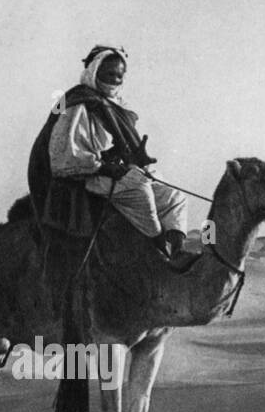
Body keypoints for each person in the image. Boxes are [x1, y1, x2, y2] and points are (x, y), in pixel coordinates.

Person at [28, 45, 188, 258]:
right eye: (109, 74)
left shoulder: (113, 106)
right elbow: (66, 158)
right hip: (80, 178)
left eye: (119, 75)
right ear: (94, 72)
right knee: (139, 187)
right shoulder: (76, 104)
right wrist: (108, 168)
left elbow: (109, 150)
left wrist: (133, 159)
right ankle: (158, 247)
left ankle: (179, 251)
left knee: (173, 194)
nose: (115, 80)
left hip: (104, 172)